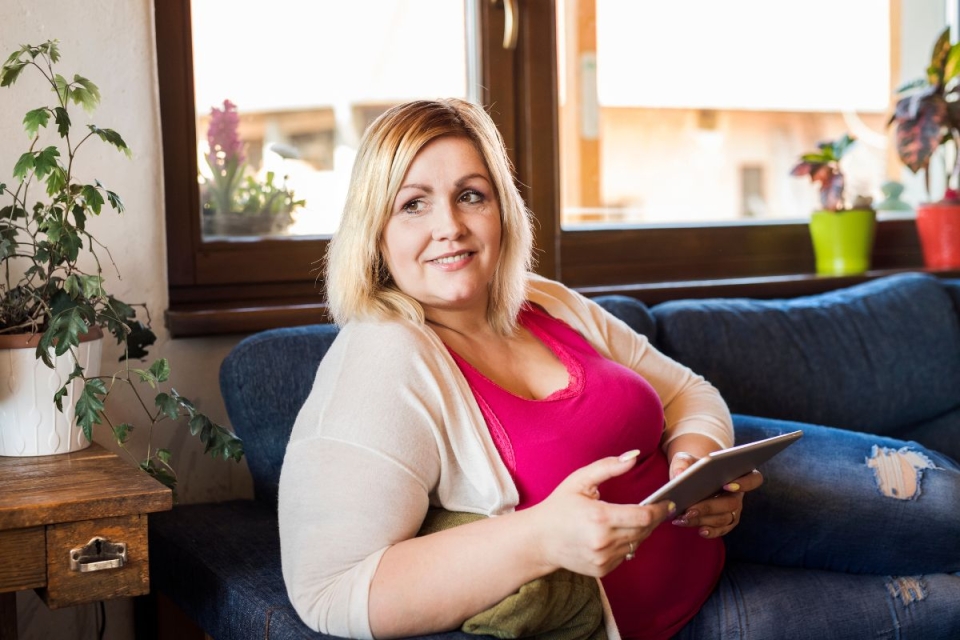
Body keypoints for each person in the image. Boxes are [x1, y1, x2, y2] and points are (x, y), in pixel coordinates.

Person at [278, 98, 960, 640]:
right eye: (413, 204)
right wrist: (539, 537)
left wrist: (700, 462)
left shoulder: (541, 301)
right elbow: (328, 590)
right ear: (376, 232)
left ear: (501, 211)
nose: (450, 225)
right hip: (684, 620)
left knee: (943, 502)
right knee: (946, 604)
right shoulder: (381, 361)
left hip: (739, 523)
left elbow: (689, 392)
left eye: (471, 195)